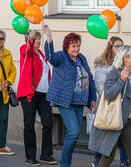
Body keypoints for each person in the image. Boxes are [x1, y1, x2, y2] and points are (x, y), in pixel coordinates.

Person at [42, 24, 97, 167]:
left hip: (79, 102)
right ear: (67, 47)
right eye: (73, 46)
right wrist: (49, 37)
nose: (76, 49)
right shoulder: (61, 56)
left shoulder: (82, 58)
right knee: (73, 132)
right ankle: (65, 164)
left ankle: (66, 162)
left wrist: (92, 98)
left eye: (78, 46)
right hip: (64, 101)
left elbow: (89, 77)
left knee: (74, 134)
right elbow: (50, 57)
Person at [89, 45, 131, 167]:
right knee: (108, 157)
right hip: (114, 120)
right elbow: (108, 95)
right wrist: (121, 81)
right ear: (125, 58)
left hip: (127, 122)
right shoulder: (114, 73)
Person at [17, 30, 57, 166]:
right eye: (36, 39)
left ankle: (45, 154)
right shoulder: (25, 51)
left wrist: (49, 37)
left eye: (40, 39)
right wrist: (31, 38)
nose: (38, 41)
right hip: (30, 93)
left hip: (44, 95)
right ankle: (30, 156)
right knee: (29, 125)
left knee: (48, 123)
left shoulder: (41, 55)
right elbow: (28, 47)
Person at [92, 36, 130, 167]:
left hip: (123, 106)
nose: (119, 48)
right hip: (107, 105)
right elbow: (100, 87)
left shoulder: (125, 63)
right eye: (117, 46)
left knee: (123, 133)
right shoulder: (103, 64)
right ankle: (97, 160)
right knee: (103, 133)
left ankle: (124, 161)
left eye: (121, 46)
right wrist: (114, 96)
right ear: (110, 47)